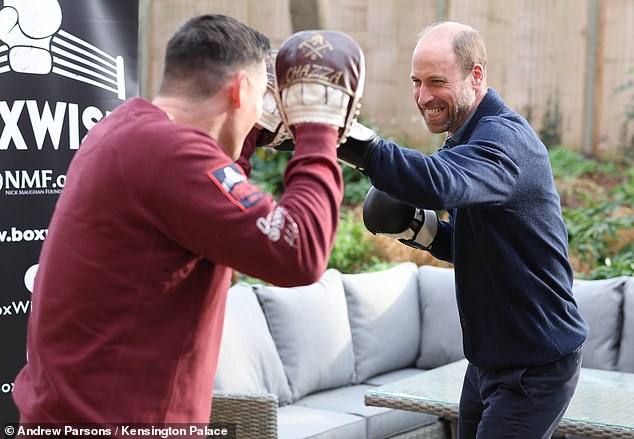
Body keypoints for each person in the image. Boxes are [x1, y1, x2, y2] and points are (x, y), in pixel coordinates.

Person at [13, 14, 365, 423]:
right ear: (239, 90)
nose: (260, 115)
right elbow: (299, 253)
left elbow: (217, 210)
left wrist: (246, 138)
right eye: (258, 103)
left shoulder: (125, 129)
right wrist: (318, 128)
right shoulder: (170, 154)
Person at [338, 21, 589, 438]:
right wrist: (416, 229)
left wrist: (344, 137)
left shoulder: (505, 141)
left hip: (536, 367)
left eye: (436, 81)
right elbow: (476, 246)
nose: (423, 96)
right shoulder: (465, 140)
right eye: (416, 82)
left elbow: (440, 182)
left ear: (476, 76)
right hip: (487, 362)